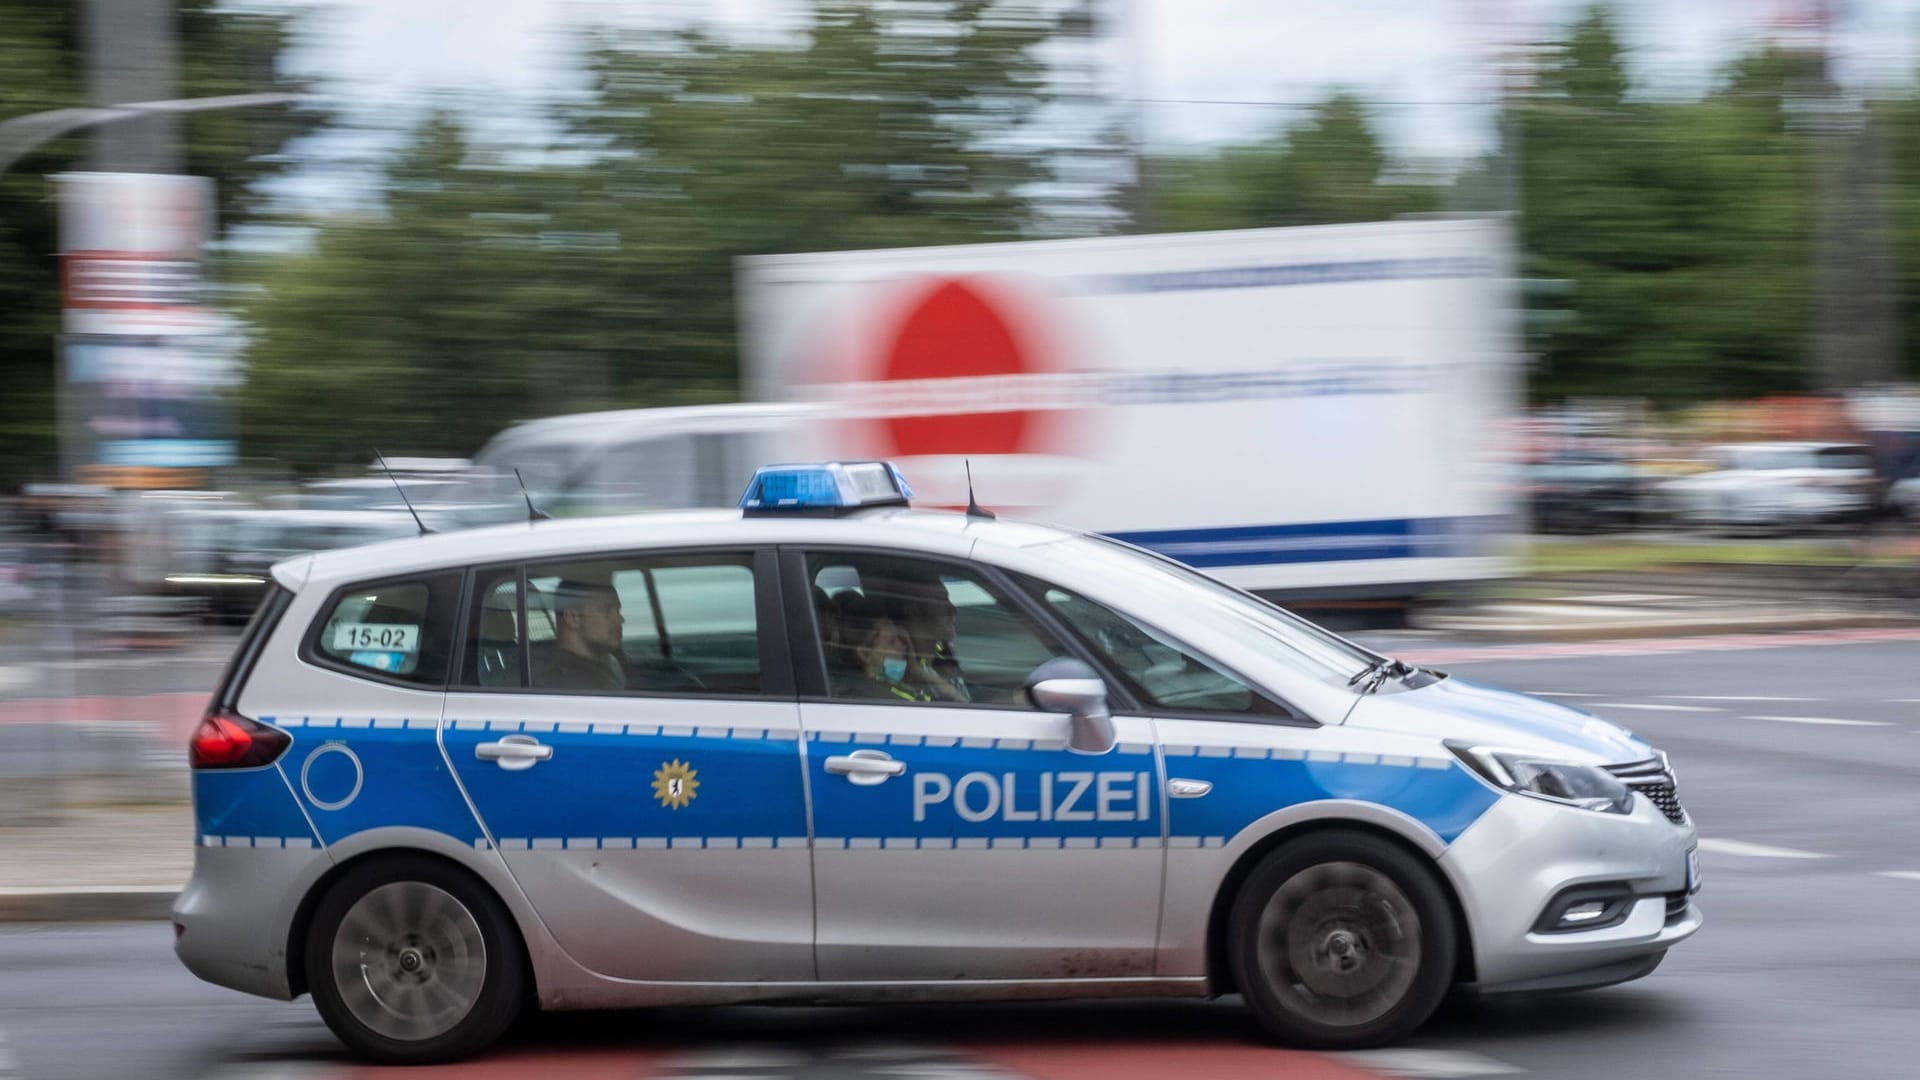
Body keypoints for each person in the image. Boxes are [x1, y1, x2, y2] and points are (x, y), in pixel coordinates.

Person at [828, 594, 933, 703]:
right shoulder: (876, 697)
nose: (903, 645)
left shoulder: (879, 687)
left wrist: (915, 669)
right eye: (892, 641)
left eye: (900, 638)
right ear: (865, 654)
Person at [534, 579, 627, 691]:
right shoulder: (569, 685)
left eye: (618, 610)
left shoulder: (605, 662)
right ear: (573, 618)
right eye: (607, 610)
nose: (621, 619)